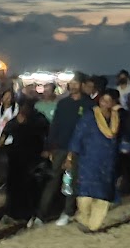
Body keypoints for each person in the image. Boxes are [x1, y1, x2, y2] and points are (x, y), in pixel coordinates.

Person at [39, 75, 91, 227]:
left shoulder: (88, 104)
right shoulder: (63, 103)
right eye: (72, 82)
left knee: (71, 182)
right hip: (61, 147)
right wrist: (49, 147)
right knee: (52, 180)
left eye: (77, 82)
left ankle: (67, 212)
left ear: (82, 84)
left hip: (78, 149)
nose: (74, 85)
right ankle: (41, 214)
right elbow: (55, 125)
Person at [68, 87, 121, 233]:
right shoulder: (89, 117)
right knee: (85, 194)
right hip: (88, 159)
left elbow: (122, 138)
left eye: (109, 101)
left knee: (103, 195)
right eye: (104, 100)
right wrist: (71, 154)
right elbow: (78, 136)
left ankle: (93, 225)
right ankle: (83, 218)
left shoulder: (117, 118)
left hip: (108, 162)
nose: (106, 104)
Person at [1, 98, 48, 227]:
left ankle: (30, 214)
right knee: (14, 187)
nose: (23, 109)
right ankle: (13, 213)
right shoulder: (15, 120)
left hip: (33, 157)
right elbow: (5, 134)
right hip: (16, 158)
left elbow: (46, 135)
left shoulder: (39, 119)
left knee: (31, 187)